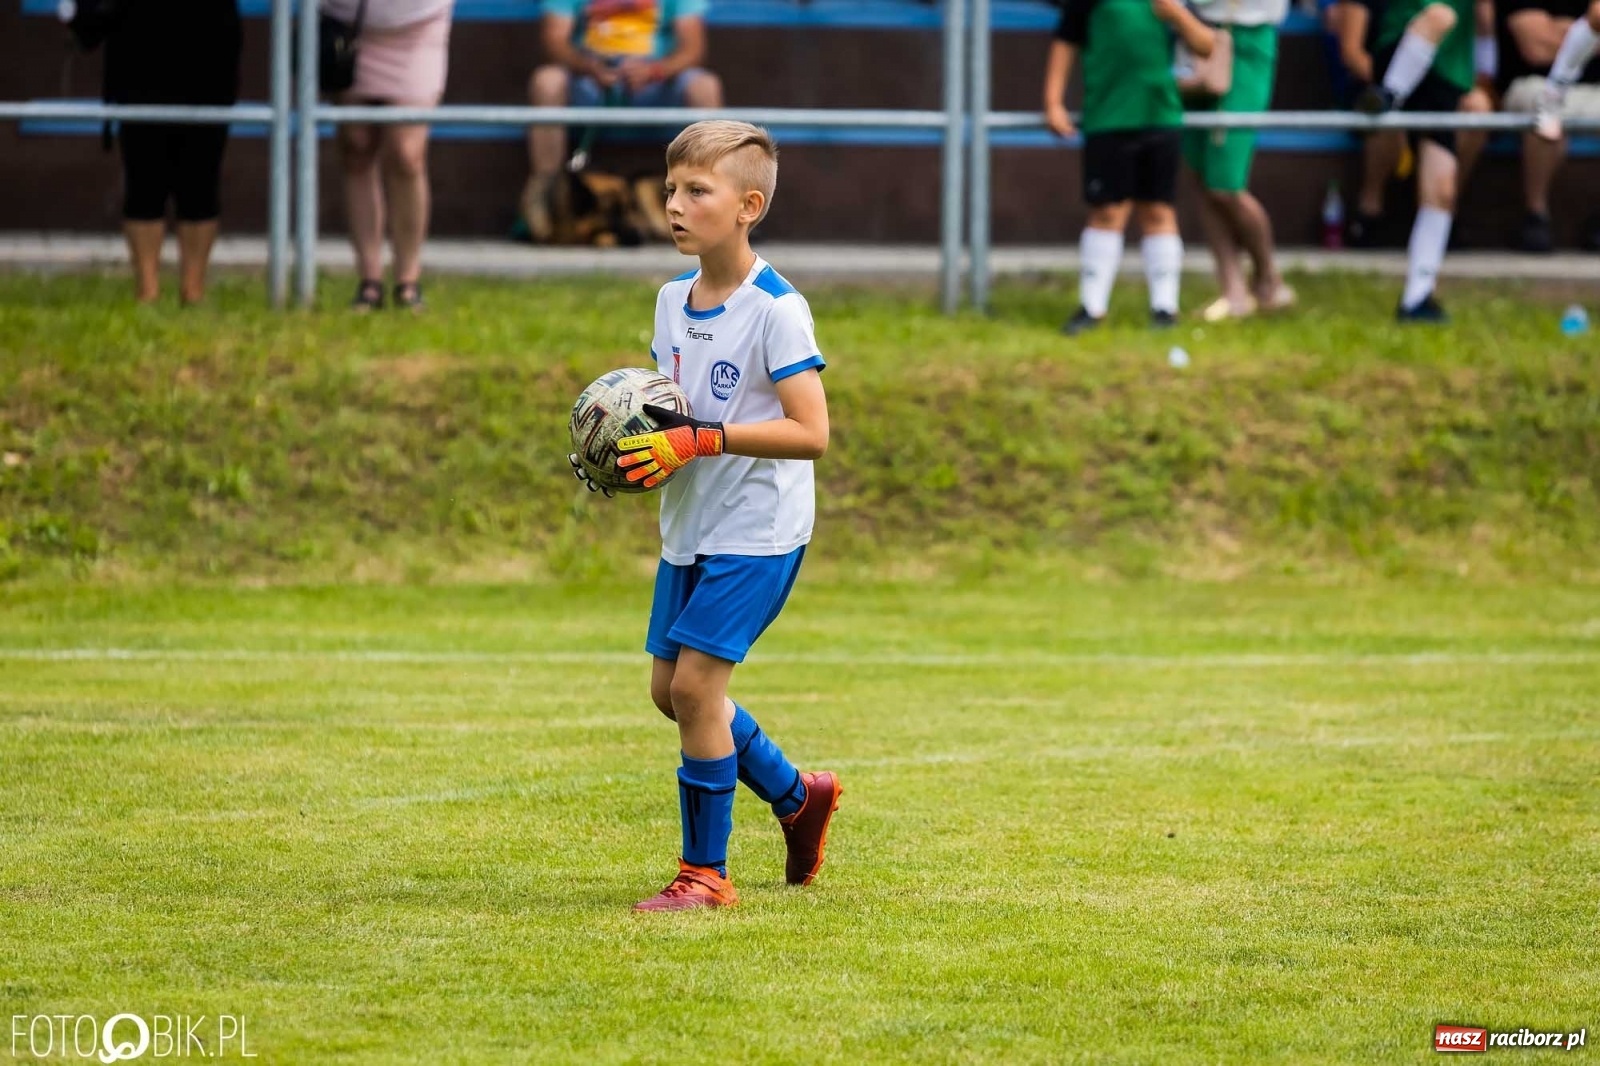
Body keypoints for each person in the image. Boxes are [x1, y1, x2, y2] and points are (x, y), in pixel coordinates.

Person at [567, 121, 840, 912]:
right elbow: (670, 413)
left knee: (695, 688)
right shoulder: (669, 301)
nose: (674, 206)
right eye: (671, 190)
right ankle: (796, 796)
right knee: (672, 691)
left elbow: (811, 433)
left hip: (758, 530)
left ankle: (704, 877)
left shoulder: (777, 310)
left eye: (697, 191)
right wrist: (629, 445)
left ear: (749, 205)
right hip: (691, 525)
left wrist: (699, 440)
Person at [1044, 0, 1218, 334]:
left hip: (1160, 118)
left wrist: (1177, 15)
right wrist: (1053, 102)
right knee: (1107, 211)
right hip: (1108, 118)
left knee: (1159, 212)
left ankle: (1164, 309)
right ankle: (1092, 307)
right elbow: (1065, 42)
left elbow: (1207, 45)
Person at [67, 0, 242, 305]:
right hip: (138, 53)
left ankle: (193, 292)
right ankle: (147, 293)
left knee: (200, 178)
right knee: (144, 178)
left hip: (209, 51)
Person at [523, 0, 725, 242]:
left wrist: (656, 71)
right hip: (588, 82)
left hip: (658, 84)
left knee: (705, 86)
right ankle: (549, 202)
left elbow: (693, 48)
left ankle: (713, 205)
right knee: (547, 81)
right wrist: (589, 66)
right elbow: (555, 41)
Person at [323, 0, 455, 312]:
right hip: (349, 25)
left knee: (407, 153)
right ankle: (369, 280)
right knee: (356, 147)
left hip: (418, 26)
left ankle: (408, 279)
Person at [1353, 0, 1480, 320]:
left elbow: (1487, 20)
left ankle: (1417, 298)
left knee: (1442, 191)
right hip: (1403, 47)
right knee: (1440, 16)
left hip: (1446, 70)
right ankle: (1389, 96)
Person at [1337, 0, 1494, 247]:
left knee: (1442, 192)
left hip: (1442, 87)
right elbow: (1352, 52)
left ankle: (1424, 274)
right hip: (1384, 78)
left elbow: (1486, 30)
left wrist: (1484, 84)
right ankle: (1369, 210)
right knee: (1384, 119)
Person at [1183, 0, 1297, 321]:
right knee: (1200, 172)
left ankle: (1268, 277)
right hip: (1192, 30)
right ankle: (1232, 291)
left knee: (1225, 182)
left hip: (1249, 38)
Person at [1499, 0, 1600, 249]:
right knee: (1544, 112)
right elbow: (1536, 49)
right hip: (1534, 83)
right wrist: (1589, 31)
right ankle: (1536, 216)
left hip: (1592, 91)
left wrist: (1559, 30)